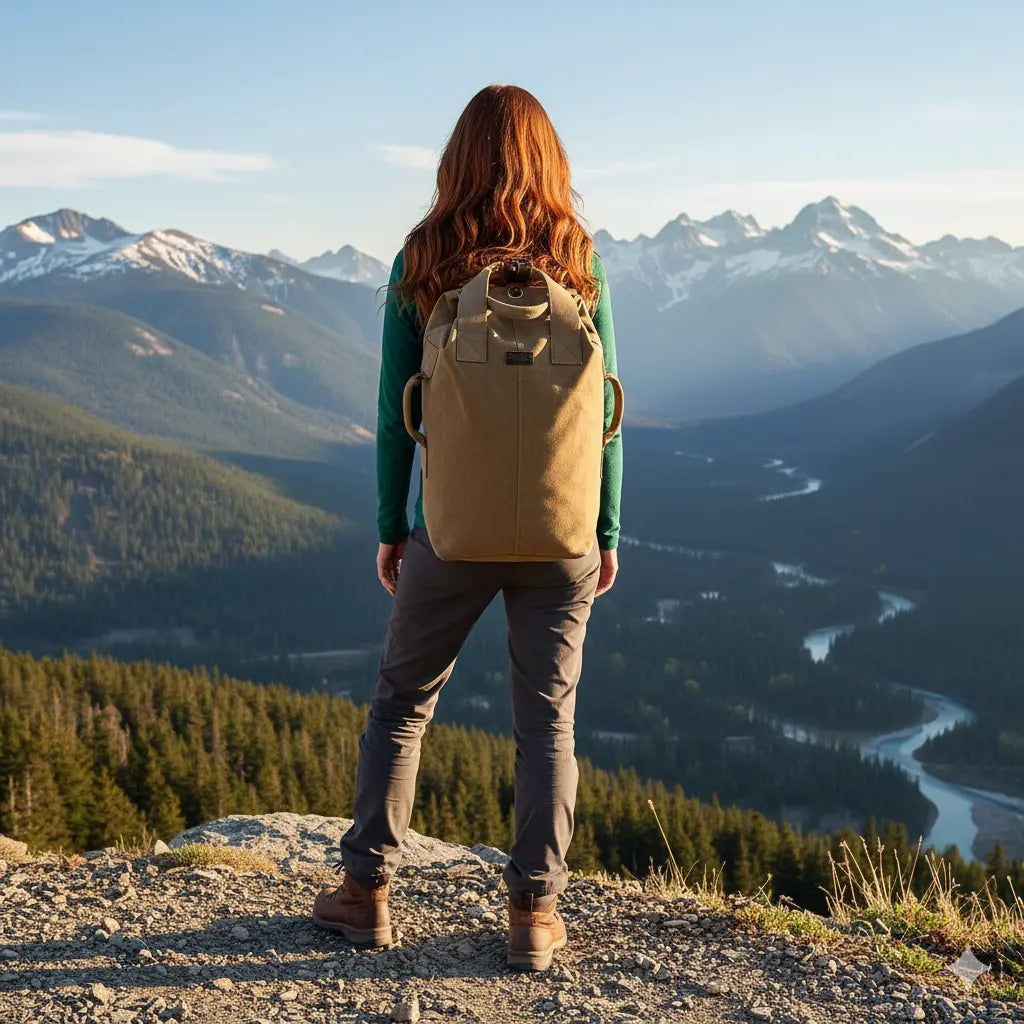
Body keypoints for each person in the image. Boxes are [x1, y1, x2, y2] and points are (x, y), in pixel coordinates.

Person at [312, 83, 623, 971]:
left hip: (447, 532)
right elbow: (607, 413)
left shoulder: (427, 255)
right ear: (548, 160)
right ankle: (533, 913)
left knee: (402, 706)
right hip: (561, 534)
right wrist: (604, 529)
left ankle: (365, 892)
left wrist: (391, 525)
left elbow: (391, 412)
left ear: (458, 159)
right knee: (547, 722)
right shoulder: (579, 258)